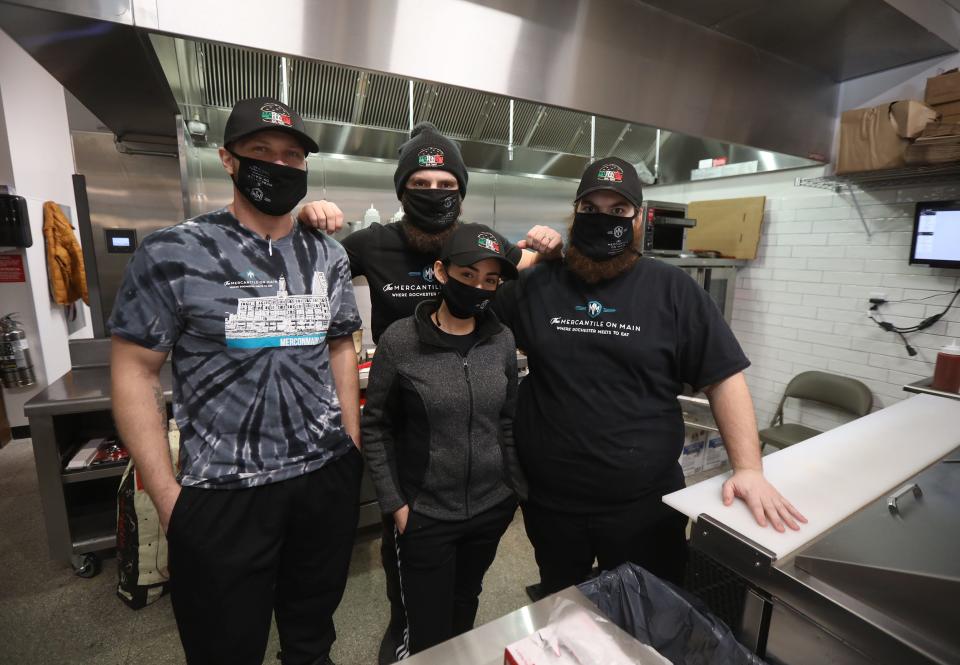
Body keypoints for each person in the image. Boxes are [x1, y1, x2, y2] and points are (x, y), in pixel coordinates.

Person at [109, 96, 363, 665]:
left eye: (292, 155)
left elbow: (341, 342)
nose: (278, 164)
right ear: (228, 159)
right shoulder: (174, 251)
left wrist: (350, 444)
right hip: (223, 492)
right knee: (225, 646)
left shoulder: (327, 255)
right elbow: (133, 370)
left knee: (312, 636)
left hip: (323, 479)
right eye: (260, 151)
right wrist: (168, 497)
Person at [298, 121, 562, 664]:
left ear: (461, 194)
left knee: (465, 589)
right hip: (412, 416)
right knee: (412, 581)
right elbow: (310, 268)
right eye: (422, 183)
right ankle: (408, 634)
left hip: (473, 419)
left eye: (448, 185)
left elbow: (527, 272)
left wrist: (551, 246)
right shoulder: (374, 243)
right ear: (401, 190)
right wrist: (306, 223)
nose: (436, 194)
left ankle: (451, 645)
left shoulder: (485, 252)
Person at [493, 157, 807, 596]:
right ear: (575, 212)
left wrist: (749, 468)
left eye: (618, 210)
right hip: (551, 502)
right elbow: (466, 304)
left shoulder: (673, 290)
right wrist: (518, 259)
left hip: (645, 504)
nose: (603, 218)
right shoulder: (539, 284)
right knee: (563, 603)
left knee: (652, 610)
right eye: (591, 208)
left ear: (638, 219)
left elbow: (724, 378)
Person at [362, 223, 527, 658]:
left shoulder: (502, 340)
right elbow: (376, 425)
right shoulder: (401, 340)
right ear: (441, 271)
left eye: (491, 280)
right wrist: (394, 504)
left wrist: (511, 488)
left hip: (489, 510)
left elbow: (506, 418)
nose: (478, 287)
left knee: (463, 611)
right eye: (468, 275)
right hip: (425, 514)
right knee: (421, 626)